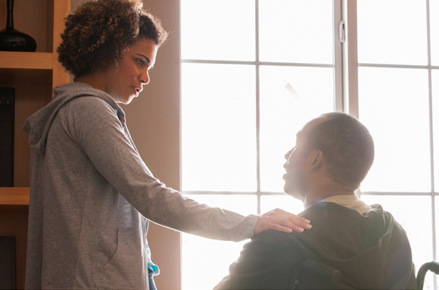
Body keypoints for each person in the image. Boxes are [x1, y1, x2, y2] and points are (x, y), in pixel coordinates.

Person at [21, 1, 310, 289]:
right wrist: (250, 224)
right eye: (140, 61)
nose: (145, 78)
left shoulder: (70, 111)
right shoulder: (88, 111)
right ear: (109, 51)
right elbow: (151, 198)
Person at [214, 112, 416, 289]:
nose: (287, 155)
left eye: (297, 145)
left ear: (315, 159)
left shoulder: (281, 238)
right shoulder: (395, 236)